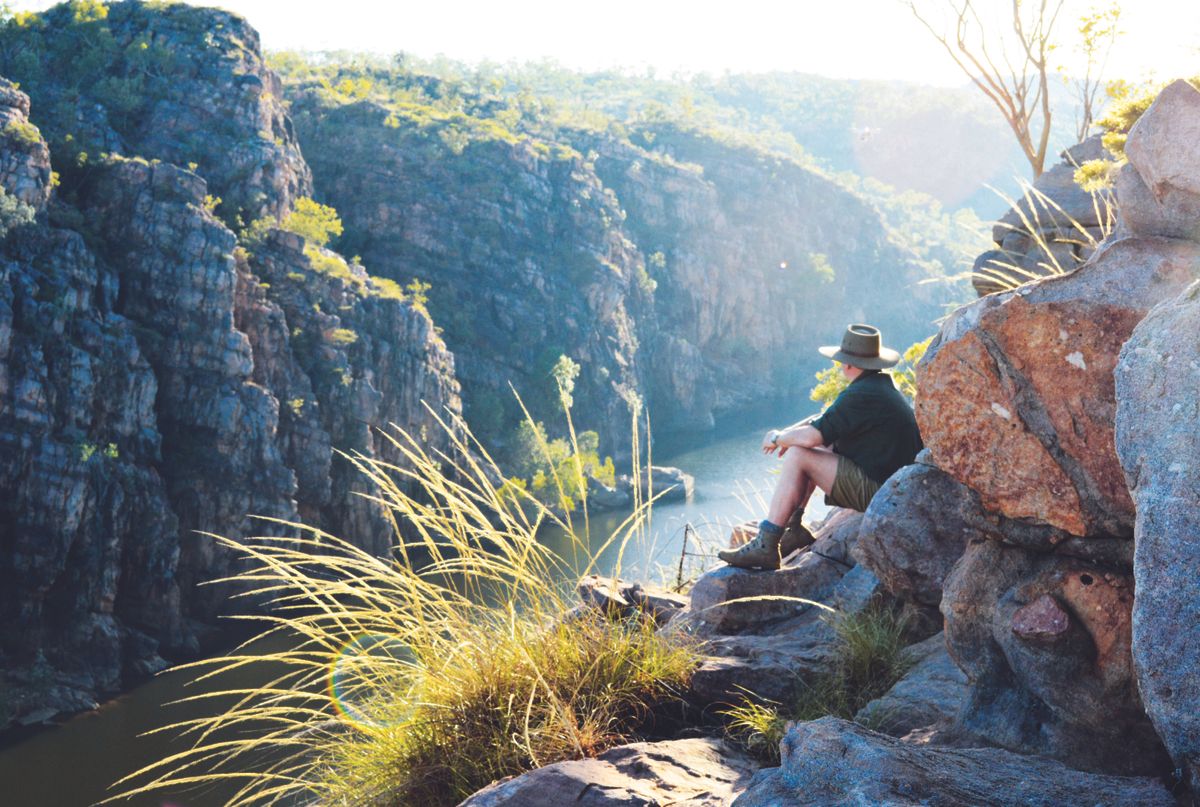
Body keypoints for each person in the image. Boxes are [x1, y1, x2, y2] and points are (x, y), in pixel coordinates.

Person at [718, 323, 923, 570]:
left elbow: (811, 438)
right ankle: (793, 530)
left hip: (881, 495)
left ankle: (767, 544)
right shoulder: (877, 387)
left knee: (799, 455)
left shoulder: (862, 395)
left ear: (848, 364)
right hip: (895, 491)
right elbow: (826, 422)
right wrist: (790, 435)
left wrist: (777, 438)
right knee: (812, 449)